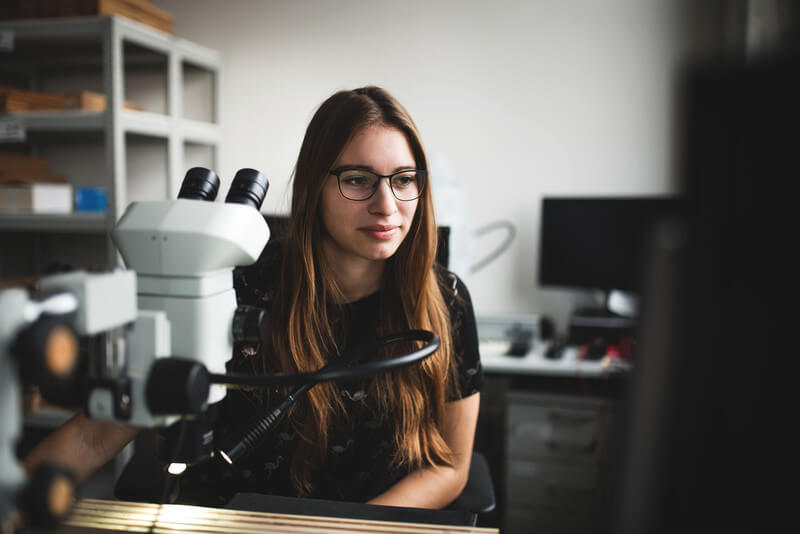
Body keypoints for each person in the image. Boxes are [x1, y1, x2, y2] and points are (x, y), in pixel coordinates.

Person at [23, 86, 483, 509]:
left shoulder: (448, 303)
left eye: (403, 179)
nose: (386, 204)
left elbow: (449, 466)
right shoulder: (234, 283)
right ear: (312, 186)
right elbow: (94, 436)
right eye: (358, 180)